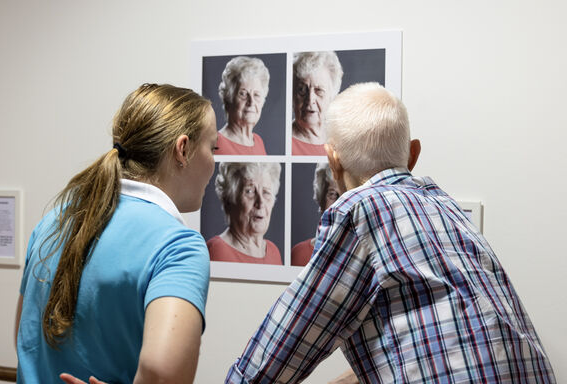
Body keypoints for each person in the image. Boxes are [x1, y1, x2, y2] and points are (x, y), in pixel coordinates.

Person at [225, 82, 556, 383]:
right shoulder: (445, 207)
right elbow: (437, 343)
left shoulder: (360, 210)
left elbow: (283, 349)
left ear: (332, 160)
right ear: (413, 154)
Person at [15, 83, 219, 384]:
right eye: (213, 148)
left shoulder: (55, 220)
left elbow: (27, 336)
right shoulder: (177, 247)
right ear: (183, 149)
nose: (215, 162)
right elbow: (164, 375)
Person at [207, 162, 282, 265]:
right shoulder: (217, 251)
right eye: (249, 191)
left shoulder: (274, 252)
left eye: (266, 192)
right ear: (230, 198)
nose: (260, 203)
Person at [215, 56, 270, 155]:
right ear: (229, 97)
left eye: (256, 95)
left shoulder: (258, 141)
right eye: (243, 94)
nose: (251, 102)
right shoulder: (217, 144)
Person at [292, 51, 343, 156]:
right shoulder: (284, 142)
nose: (310, 100)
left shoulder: (340, 141)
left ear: (332, 96)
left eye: (319, 90)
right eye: (302, 89)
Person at [291, 162, 340, 266]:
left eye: (345, 194)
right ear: (321, 199)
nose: (339, 202)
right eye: (332, 194)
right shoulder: (299, 253)